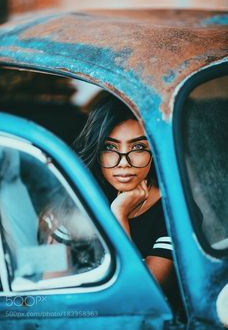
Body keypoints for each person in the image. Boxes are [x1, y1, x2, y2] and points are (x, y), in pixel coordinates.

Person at [73, 93, 182, 311]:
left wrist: (119, 214)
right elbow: (52, 280)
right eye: (111, 148)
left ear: (154, 150)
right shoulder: (78, 199)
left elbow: (139, 296)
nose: (123, 162)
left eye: (138, 148)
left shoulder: (175, 212)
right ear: (97, 150)